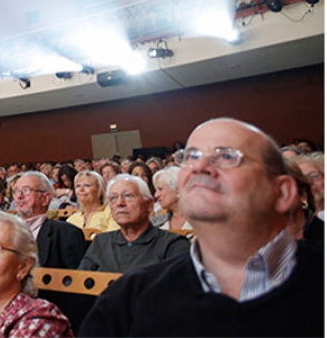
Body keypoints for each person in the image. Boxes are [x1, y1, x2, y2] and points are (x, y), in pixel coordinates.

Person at [80, 118, 325, 337]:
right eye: (191, 157)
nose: (199, 167)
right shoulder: (129, 296)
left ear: (282, 192)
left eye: (227, 156)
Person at [78, 175, 189, 273]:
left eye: (128, 196)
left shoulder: (173, 245)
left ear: (149, 204)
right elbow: (79, 286)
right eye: (113, 198)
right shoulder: (101, 242)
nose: (120, 203)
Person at [11, 172, 85, 268]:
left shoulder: (67, 233)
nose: (19, 196)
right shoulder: (5, 231)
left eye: (26, 190)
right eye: (16, 191)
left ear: (45, 199)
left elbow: (73, 278)